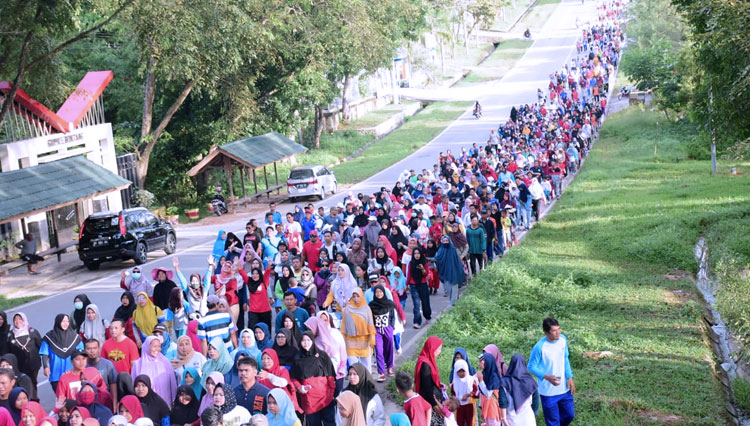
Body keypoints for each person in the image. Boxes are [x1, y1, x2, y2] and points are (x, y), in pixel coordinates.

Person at [528, 317, 574, 426]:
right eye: (554, 330)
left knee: (569, 415)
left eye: (559, 329)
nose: (557, 333)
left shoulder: (563, 340)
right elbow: (531, 366)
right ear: (546, 331)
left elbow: (565, 358)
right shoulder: (539, 347)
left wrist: (570, 377)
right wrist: (547, 377)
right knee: (553, 421)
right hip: (548, 392)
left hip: (564, 388)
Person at [290, 332, 336, 426]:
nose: (306, 343)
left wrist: (331, 393)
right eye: (303, 340)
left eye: (308, 340)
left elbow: (330, 375)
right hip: (309, 400)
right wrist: (299, 387)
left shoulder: (322, 355)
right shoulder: (297, 358)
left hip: (325, 397)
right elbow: (293, 377)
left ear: (312, 341)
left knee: (330, 422)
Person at [41, 314, 84, 392]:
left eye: (67, 321)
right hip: (56, 374)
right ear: (58, 322)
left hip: (72, 373)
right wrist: (45, 367)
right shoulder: (49, 337)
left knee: (73, 398)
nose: (65, 323)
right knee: (61, 400)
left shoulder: (75, 337)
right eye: (63, 321)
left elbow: (81, 353)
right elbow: (44, 353)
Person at [131, 336, 178, 407]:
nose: (158, 349)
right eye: (154, 346)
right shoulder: (138, 364)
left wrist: (174, 400)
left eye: (159, 346)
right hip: (145, 405)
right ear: (147, 346)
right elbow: (133, 385)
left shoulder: (165, 362)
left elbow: (172, 383)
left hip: (164, 404)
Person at [6, 313, 42, 394]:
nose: (18, 321)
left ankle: (34, 400)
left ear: (24, 320)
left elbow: (41, 346)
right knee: (22, 383)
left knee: (33, 382)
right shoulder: (11, 335)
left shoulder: (32, 332)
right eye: (15, 320)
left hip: (33, 363)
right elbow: (9, 351)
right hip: (19, 365)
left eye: (20, 319)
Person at [341, 288, 375, 368]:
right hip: (350, 341)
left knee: (366, 366)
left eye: (358, 296)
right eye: (354, 296)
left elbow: (370, 324)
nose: (356, 299)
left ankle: (366, 380)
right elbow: (343, 326)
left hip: (364, 341)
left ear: (361, 296)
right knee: (353, 367)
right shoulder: (347, 310)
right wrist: (342, 340)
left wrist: (372, 338)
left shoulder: (366, 309)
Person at [499, 354, 538, 425]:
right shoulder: (531, 382)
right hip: (528, 419)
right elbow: (535, 404)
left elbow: (503, 402)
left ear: (511, 365)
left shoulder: (504, 382)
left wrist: (504, 419)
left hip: (511, 420)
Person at [256, 349, 299, 414]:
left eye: (268, 358)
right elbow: (258, 394)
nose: (265, 361)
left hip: (284, 408)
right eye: (263, 359)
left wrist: (269, 376)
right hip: (269, 409)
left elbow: (283, 382)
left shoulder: (282, 371)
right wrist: (257, 412)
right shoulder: (261, 375)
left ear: (274, 359)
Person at [414, 337, 444, 424]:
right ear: (432, 349)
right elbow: (427, 387)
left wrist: (438, 383)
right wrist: (434, 404)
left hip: (431, 400)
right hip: (430, 402)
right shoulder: (425, 364)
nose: (440, 352)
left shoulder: (427, 360)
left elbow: (427, 380)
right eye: (438, 349)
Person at [368, 285, 396, 381]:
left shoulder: (389, 304)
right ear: (374, 294)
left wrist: (391, 327)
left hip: (387, 328)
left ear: (384, 292)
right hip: (377, 330)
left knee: (389, 348)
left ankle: (390, 367)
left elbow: (392, 316)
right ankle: (381, 372)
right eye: (377, 292)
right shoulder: (371, 305)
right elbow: (370, 318)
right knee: (379, 350)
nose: (379, 294)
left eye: (380, 292)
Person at [475, 352, 507, 426]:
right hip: (486, 406)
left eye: (481, 362)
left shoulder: (494, 377)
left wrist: (481, 381)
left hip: (492, 409)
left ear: (487, 363)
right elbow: (481, 392)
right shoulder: (485, 373)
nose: (479, 364)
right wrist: (481, 407)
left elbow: (488, 394)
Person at [85, 339, 118, 406]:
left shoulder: (107, 364)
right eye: (89, 348)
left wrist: (114, 403)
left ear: (99, 349)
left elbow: (113, 384)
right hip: (87, 400)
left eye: (94, 348)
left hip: (105, 400)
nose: (92, 351)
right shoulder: (82, 365)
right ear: (85, 350)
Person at [406, 248, 431, 329]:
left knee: (425, 303)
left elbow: (425, 274)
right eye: (415, 253)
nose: (416, 255)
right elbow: (409, 274)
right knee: (416, 304)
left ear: (421, 254)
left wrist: (422, 268)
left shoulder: (424, 262)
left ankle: (427, 316)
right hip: (413, 285)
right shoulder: (411, 263)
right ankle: (417, 321)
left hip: (423, 284)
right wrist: (407, 285)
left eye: (418, 253)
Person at [449, 359, 478, 426]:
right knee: (459, 423)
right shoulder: (454, 383)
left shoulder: (471, 381)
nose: (461, 373)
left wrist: (468, 395)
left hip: (469, 405)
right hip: (459, 406)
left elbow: (476, 392)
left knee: (470, 423)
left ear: (466, 370)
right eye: (459, 371)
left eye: (463, 371)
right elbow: (453, 394)